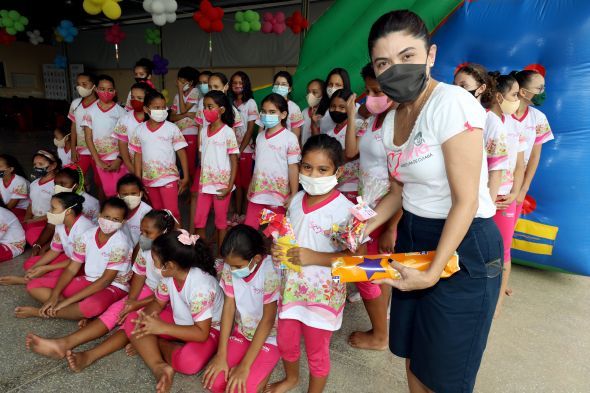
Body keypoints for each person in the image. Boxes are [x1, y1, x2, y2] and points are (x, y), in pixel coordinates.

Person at [363, 10, 503, 393]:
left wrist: (432, 271)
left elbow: (466, 201)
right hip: (414, 236)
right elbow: (398, 192)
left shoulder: (452, 103)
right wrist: (364, 224)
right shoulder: (393, 118)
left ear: (430, 55)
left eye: (407, 56)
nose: (396, 68)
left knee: (445, 376)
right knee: (414, 358)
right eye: (384, 62)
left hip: (463, 245)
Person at [24, 210, 175, 366]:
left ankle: (89, 354)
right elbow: (139, 274)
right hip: (151, 290)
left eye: (148, 233)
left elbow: (172, 292)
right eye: (141, 231)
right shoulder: (149, 247)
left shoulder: (175, 252)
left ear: (164, 232)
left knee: (131, 321)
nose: (142, 236)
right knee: (118, 311)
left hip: (168, 300)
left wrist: (137, 305)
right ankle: (64, 344)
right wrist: (131, 300)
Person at [267, 134, 353, 393]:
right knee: (286, 341)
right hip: (291, 289)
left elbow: (355, 261)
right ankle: (291, 378)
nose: (313, 175)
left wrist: (315, 257)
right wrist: (277, 248)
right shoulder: (294, 201)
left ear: (338, 171)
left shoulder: (346, 211)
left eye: (322, 169)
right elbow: (289, 236)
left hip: (322, 297)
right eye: (307, 167)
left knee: (317, 353)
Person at [122, 230, 223, 393]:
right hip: (180, 321)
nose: (152, 265)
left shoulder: (200, 288)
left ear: (169, 265)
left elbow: (201, 333)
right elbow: (158, 302)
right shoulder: (169, 275)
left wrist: (160, 329)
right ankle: (159, 367)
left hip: (209, 328)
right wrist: (146, 322)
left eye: (154, 260)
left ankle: (156, 344)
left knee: (188, 363)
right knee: (134, 320)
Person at [344, 62, 396, 350]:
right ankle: (382, 327)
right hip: (366, 210)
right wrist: (353, 115)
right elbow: (351, 152)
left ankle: (380, 335)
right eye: (367, 90)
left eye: (376, 90)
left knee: (364, 273)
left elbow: (403, 183)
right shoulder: (375, 121)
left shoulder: (398, 123)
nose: (370, 95)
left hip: (383, 215)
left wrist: (392, 226)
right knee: (378, 272)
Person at [16, 197, 132, 320]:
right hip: (89, 279)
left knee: (92, 306)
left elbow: (105, 281)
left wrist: (65, 302)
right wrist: (55, 295)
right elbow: (71, 268)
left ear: (123, 222)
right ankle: (75, 311)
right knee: (34, 286)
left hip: (114, 285)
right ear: (99, 215)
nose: (110, 222)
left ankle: (41, 312)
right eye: (107, 217)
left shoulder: (121, 243)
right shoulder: (88, 235)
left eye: (116, 219)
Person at [203, 225, 280, 393]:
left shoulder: (270, 272)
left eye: (238, 266)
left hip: (270, 337)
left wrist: (244, 366)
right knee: (215, 383)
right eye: (230, 265)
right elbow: (229, 307)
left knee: (241, 389)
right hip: (242, 332)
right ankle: (257, 369)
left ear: (257, 258)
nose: (232, 270)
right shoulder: (230, 267)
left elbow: (268, 320)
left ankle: (263, 368)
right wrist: (221, 355)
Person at [0, 192, 94, 286]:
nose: (49, 211)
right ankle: (38, 277)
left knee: (55, 273)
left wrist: (46, 268)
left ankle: (27, 281)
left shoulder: (84, 228)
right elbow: (54, 251)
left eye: (53, 208)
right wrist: (34, 268)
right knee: (30, 264)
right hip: (70, 258)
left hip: (83, 264)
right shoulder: (61, 223)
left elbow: (79, 261)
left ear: (68, 211)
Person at [130, 90, 188, 224]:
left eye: (163, 107)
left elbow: (181, 152)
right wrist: (139, 180)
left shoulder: (172, 128)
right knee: (157, 212)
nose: (161, 110)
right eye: (156, 108)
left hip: (169, 177)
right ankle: (163, 241)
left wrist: (186, 176)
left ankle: (178, 239)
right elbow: (137, 156)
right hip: (148, 179)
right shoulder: (139, 130)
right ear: (146, 109)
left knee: (172, 212)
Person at [244, 93, 300, 229]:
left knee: (275, 234)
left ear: (283, 114)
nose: (266, 115)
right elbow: (257, 164)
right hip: (257, 194)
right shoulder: (260, 137)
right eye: (263, 111)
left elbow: (293, 167)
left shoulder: (290, 138)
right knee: (249, 229)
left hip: (279, 197)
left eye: (272, 112)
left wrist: (293, 194)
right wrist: (251, 185)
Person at [194, 90, 239, 250]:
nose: (206, 110)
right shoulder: (203, 132)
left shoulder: (227, 132)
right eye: (204, 106)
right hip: (205, 184)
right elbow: (203, 157)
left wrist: (229, 186)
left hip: (221, 186)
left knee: (220, 223)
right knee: (199, 220)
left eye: (210, 106)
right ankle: (201, 252)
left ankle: (221, 254)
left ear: (221, 110)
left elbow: (234, 160)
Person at [453, 63, 506, 200]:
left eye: (463, 86)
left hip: (476, 198)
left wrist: (489, 203)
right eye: (454, 85)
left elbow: (496, 168)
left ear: (481, 88)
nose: (456, 90)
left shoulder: (490, 121)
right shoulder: (449, 116)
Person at [509, 69, 554, 220]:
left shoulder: (539, 118)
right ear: (523, 91)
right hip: (495, 179)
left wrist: (523, 188)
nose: (543, 93)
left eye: (544, 88)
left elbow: (535, 156)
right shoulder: (501, 114)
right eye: (539, 88)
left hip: (518, 183)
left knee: (506, 234)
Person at [82, 74, 127, 197]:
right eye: (102, 89)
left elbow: (125, 138)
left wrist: (119, 159)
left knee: (121, 191)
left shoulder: (121, 112)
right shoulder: (90, 112)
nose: (105, 92)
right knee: (109, 191)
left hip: (119, 158)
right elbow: (88, 137)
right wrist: (98, 161)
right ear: (96, 89)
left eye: (110, 89)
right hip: (101, 160)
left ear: (115, 91)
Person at [228, 71, 260, 223]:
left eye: (241, 83)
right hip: (231, 151)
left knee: (246, 185)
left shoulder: (251, 103)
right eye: (234, 83)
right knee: (236, 184)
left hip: (245, 151)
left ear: (246, 84)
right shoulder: (229, 102)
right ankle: (237, 213)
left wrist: (239, 150)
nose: (238, 86)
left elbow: (250, 130)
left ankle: (246, 215)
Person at [322, 88, 360, 201]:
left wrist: (331, 157)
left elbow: (351, 154)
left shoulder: (359, 126)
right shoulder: (329, 133)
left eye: (342, 107)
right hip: (333, 188)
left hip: (353, 187)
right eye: (333, 106)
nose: (336, 110)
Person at [24, 150, 61, 255]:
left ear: (53, 165)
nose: (37, 167)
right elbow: (31, 204)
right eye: (35, 164)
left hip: (50, 223)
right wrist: (27, 219)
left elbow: (57, 212)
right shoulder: (34, 184)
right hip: (35, 220)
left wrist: (34, 221)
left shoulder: (57, 184)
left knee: (34, 236)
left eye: (41, 164)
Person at [68, 72, 99, 186]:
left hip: (98, 150)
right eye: (78, 84)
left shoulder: (101, 105)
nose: (80, 87)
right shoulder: (75, 104)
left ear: (94, 85)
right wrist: (73, 149)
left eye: (84, 84)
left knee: (99, 182)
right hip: (81, 150)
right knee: (76, 179)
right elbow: (73, 127)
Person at [169, 66, 201, 179]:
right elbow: (172, 117)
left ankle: (192, 191)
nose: (179, 83)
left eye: (182, 81)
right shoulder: (177, 97)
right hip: (179, 133)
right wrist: (187, 115)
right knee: (181, 164)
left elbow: (182, 109)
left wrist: (183, 113)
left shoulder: (195, 91)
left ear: (191, 82)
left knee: (191, 164)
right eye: (179, 80)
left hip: (191, 133)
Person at [112, 82, 149, 174]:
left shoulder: (155, 118)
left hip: (154, 169)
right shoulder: (124, 119)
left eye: (139, 98)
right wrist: (132, 169)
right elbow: (123, 147)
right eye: (132, 97)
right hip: (133, 168)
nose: (135, 100)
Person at [116, 174, 153, 247]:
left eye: (133, 193)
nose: (129, 197)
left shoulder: (147, 212)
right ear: (118, 195)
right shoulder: (116, 210)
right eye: (125, 194)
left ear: (141, 193)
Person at [316, 68, 353, 133]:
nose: (333, 88)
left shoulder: (353, 108)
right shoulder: (321, 109)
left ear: (345, 86)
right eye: (330, 84)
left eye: (338, 85)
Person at [270, 71, 304, 141]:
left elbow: (296, 136)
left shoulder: (294, 108)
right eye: (277, 84)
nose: (279, 87)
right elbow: (261, 129)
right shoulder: (267, 104)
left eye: (283, 84)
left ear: (289, 89)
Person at [0, 154, 29, 222]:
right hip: (8, 209)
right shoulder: (0, 180)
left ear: (10, 169)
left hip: (22, 211)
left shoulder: (20, 182)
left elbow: (11, 206)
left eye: (0, 166)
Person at [301, 79, 325, 145]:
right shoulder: (304, 112)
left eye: (314, 92)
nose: (310, 95)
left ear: (323, 93)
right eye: (308, 92)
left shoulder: (327, 113)